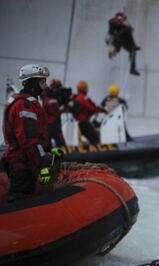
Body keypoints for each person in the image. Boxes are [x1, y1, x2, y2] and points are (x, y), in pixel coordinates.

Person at [2, 64, 60, 201]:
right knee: (20, 200)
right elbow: (28, 140)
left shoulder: (28, 102)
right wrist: (43, 163)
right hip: (22, 165)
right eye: (42, 82)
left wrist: (50, 149)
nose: (45, 86)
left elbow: (36, 135)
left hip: (27, 161)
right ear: (33, 83)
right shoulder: (24, 105)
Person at [106, 11, 140, 76]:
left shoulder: (124, 25)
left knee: (133, 51)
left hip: (123, 41)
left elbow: (130, 29)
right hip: (115, 39)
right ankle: (112, 51)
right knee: (126, 30)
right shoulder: (113, 21)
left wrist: (127, 23)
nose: (120, 18)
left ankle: (132, 68)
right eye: (119, 17)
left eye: (122, 18)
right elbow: (116, 23)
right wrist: (125, 24)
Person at [72, 80, 106, 144]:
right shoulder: (84, 97)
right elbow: (91, 108)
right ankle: (96, 152)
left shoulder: (76, 97)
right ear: (84, 89)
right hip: (84, 123)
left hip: (76, 124)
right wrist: (102, 110)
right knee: (95, 139)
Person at [42, 79, 66, 147]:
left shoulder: (46, 98)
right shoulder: (51, 100)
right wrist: (64, 108)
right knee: (61, 144)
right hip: (54, 124)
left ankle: (50, 155)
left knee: (48, 144)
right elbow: (55, 112)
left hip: (48, 124)